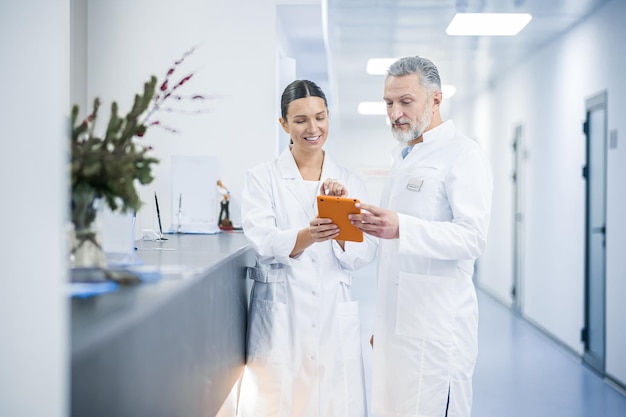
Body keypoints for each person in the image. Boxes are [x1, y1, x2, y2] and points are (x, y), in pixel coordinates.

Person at [350, 56, 493, 417]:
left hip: (436, 333)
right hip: (397, 329)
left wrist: (402, 227)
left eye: (405, 101)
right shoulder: (404, 158)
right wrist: (382, 324)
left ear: (435, 100)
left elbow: (473, 238)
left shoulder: (463, 154)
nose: (395, 112)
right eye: (388, 102)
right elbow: (394, 256)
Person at [237, 80, 378, 417]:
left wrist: (341, 218)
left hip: (333, 312)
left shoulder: (350, 182)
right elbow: (262, 239)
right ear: (284, 125)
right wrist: (307, 236)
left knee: (334, 403)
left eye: (320, 117)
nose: (312, 128)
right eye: (300, 120)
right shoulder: (262, 178)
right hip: (282, 317)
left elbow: (365, 252)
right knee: (279, 403)